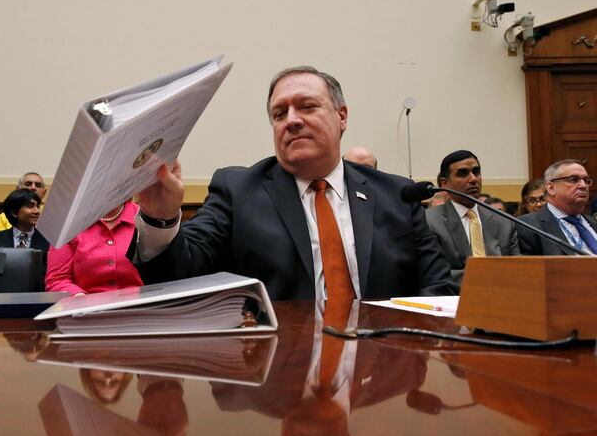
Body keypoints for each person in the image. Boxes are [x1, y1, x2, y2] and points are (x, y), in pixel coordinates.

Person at [131, 66, 454, 301]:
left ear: (342, 116)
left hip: (381, 374)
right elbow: (182, 275)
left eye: (307, 106)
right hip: (277, 375)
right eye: (279, 113)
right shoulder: (238, 190)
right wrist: (160, 219)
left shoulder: (396, 194)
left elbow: (436, 287)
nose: (292, 120)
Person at [425, 150, 520, 291]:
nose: (473, 179)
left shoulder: (503, 221)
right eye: (463, 173)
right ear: (444, 184)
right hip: (454, 298)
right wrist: (488, 277)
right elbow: (435, 274)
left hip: (504, 296)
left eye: (476, 172)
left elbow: (519, 268)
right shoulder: (429, 221)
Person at [46, 200, 142, 295]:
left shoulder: (143, 215)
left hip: (143, 306)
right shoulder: (68, 221)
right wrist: (80, 299)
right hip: (85, 307)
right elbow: (57, 280)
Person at [518, 159, 597, 255]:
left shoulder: (592, 222)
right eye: (573, 180)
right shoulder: (527, 226)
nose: (583, 185)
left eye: (586, 180)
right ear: (551, 188)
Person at [0, 189, 50, 283]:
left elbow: (47, 276)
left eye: (37, 206)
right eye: (30, 206)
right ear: (14, 212)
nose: (37, 211)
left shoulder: (48, 241)